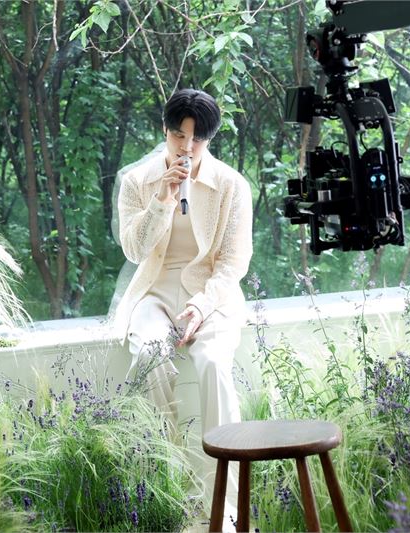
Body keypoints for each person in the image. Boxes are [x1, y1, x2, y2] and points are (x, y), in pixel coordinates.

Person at [111, 88, 253, 528]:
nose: (186, 148)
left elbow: (233, 263)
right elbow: (134, 251)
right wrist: (163, 198)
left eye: (197, 139)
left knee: (213, 364)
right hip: (155, 290)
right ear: (164, 131)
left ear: (209, 139)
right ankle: (168, 490)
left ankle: (225, 507)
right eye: (178, 136)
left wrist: (201, 306)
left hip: (211, 294)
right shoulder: (137, 181)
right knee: (149, 356)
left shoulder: (231, 185)